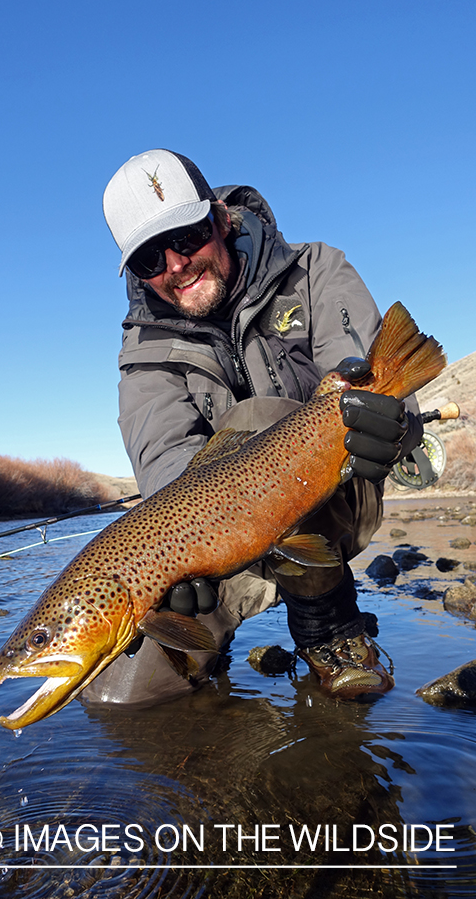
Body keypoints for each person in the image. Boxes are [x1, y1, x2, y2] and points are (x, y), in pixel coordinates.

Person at [82, 148, 422, 709]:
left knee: (262, 420)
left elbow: (377, 383)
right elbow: (167, 464)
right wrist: (176, 569)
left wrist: (394, 422)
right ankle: (207, 681)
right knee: (119, 703)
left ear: (219, 218)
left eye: (186, 238)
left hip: (337, 491)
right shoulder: (141, 353)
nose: (174, 265)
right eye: (148, 258)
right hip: (212, 539)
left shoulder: (315, 270)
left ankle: (330, 628)